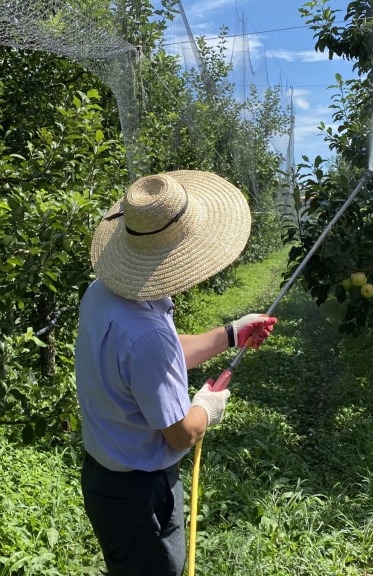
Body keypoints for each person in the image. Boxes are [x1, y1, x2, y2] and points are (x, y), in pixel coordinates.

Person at [75, 170, 278, 576]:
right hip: (138, 491)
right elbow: (181, 432)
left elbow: (154, 361)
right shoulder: (144, 333)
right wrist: (206, 407)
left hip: (109, 479)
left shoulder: (106, 291)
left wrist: (229, 335)